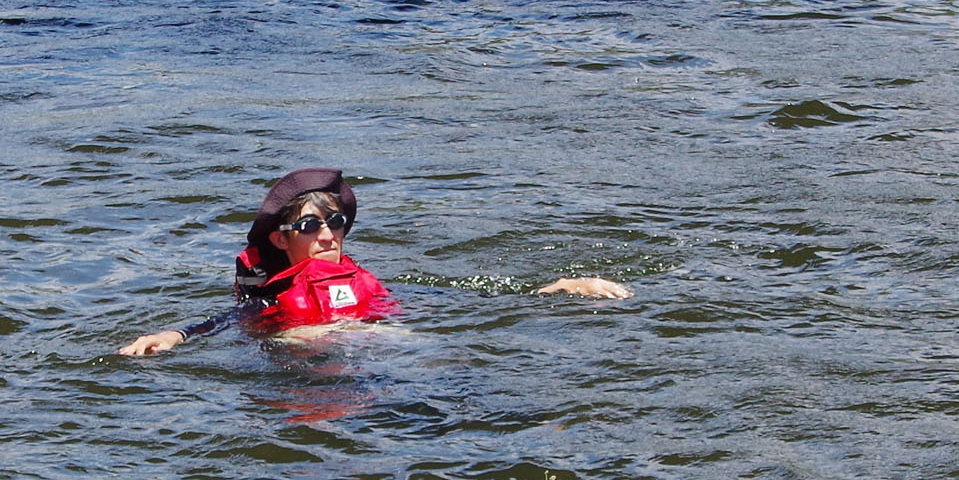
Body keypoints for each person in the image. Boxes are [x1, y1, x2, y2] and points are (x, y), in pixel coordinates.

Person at [116, 168, 631, 356]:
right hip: (325, 374)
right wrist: (173, 336)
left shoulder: (361, 279)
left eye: (335, 223)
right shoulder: (273, 293)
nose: (327, 234)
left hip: (390, 355)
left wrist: (560, 286)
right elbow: (226, 322)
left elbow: (463, 296)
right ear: (282, 238)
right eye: (311, 227)